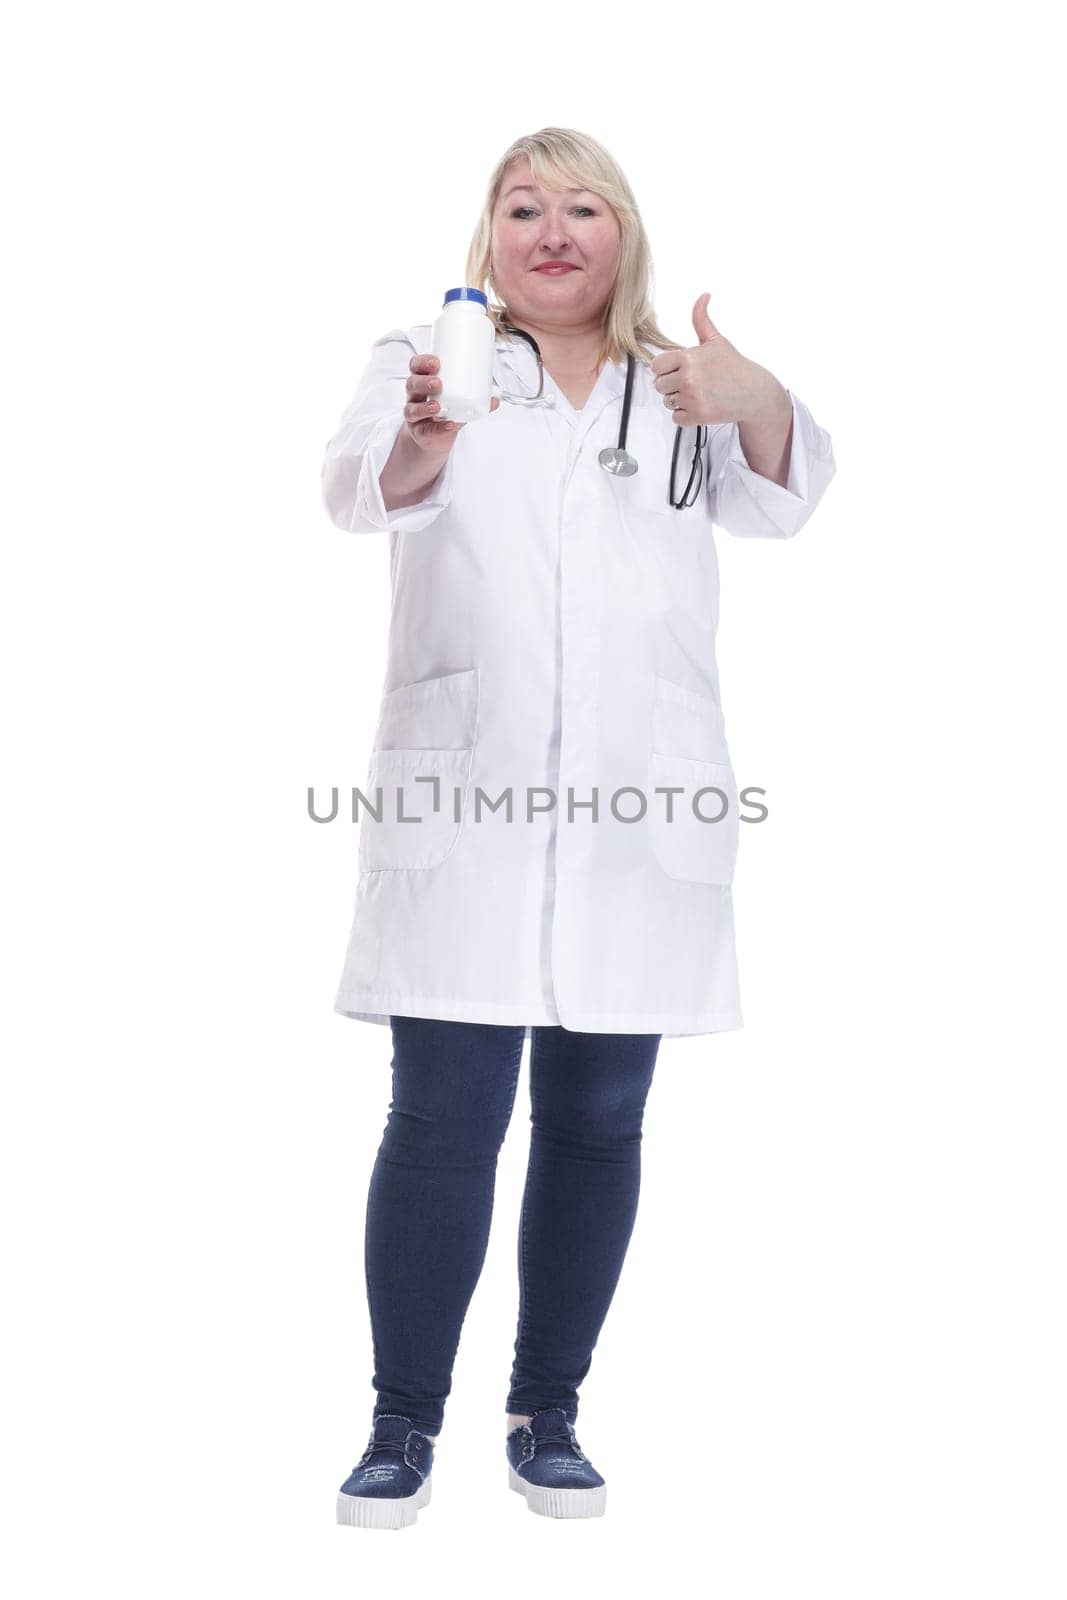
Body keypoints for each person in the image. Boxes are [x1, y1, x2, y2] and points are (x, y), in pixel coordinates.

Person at [321, 127, 836, 1529]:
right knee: (443, 1121)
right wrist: (427, 431)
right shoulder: (423, 358)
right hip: (468, 798)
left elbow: (782, 502)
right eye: (524, 207)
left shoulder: (682, 385)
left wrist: (762, 392)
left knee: (602, 1121)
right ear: (487, 234)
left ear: (627, 234)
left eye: (585, 208)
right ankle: (400, 1428)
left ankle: (547, 1410)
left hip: (638, 814)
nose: (554, 232)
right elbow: (354, 489)